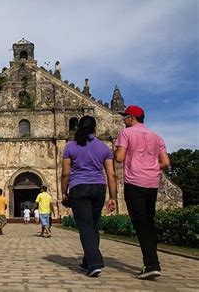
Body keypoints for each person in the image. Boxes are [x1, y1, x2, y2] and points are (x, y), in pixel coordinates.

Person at [114, 105, 170, 280]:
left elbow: (120, 157)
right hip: (152, 183)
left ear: (131, 118)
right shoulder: (156, 136)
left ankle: (151, 264)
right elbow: (166, 162)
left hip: (134, 182)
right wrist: (152, 167)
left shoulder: (127, 133)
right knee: (149, 221)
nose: (124, 121)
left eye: (125, 118)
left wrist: (115, 151)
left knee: (140, 224)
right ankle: (153, 262)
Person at [61, 115, 117, 277]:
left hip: (79, 188)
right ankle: (87, 261)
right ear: (95, 129)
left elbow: (65, 173)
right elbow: (111, 174)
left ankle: (94, 263)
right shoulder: (104, 148)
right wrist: (112, 197)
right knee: (93, 225)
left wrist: (64, 193)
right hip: (99, 188)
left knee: (85, 227)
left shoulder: (70, 147)